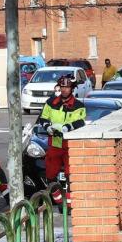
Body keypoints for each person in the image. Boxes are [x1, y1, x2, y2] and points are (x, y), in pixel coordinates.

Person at [36, 76, 86, 204]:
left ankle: (69, 205)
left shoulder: (78, 105)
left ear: (72, 89)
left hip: (70, 144)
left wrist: (67, 127)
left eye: (67, 87)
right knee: (50, 175)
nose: (64, 90)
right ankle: (59, 201)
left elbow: (80, 122)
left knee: (71, 175)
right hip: (55, 143)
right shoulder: (50, 102)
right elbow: (43, 118)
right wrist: (47, 127)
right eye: (62, 87)